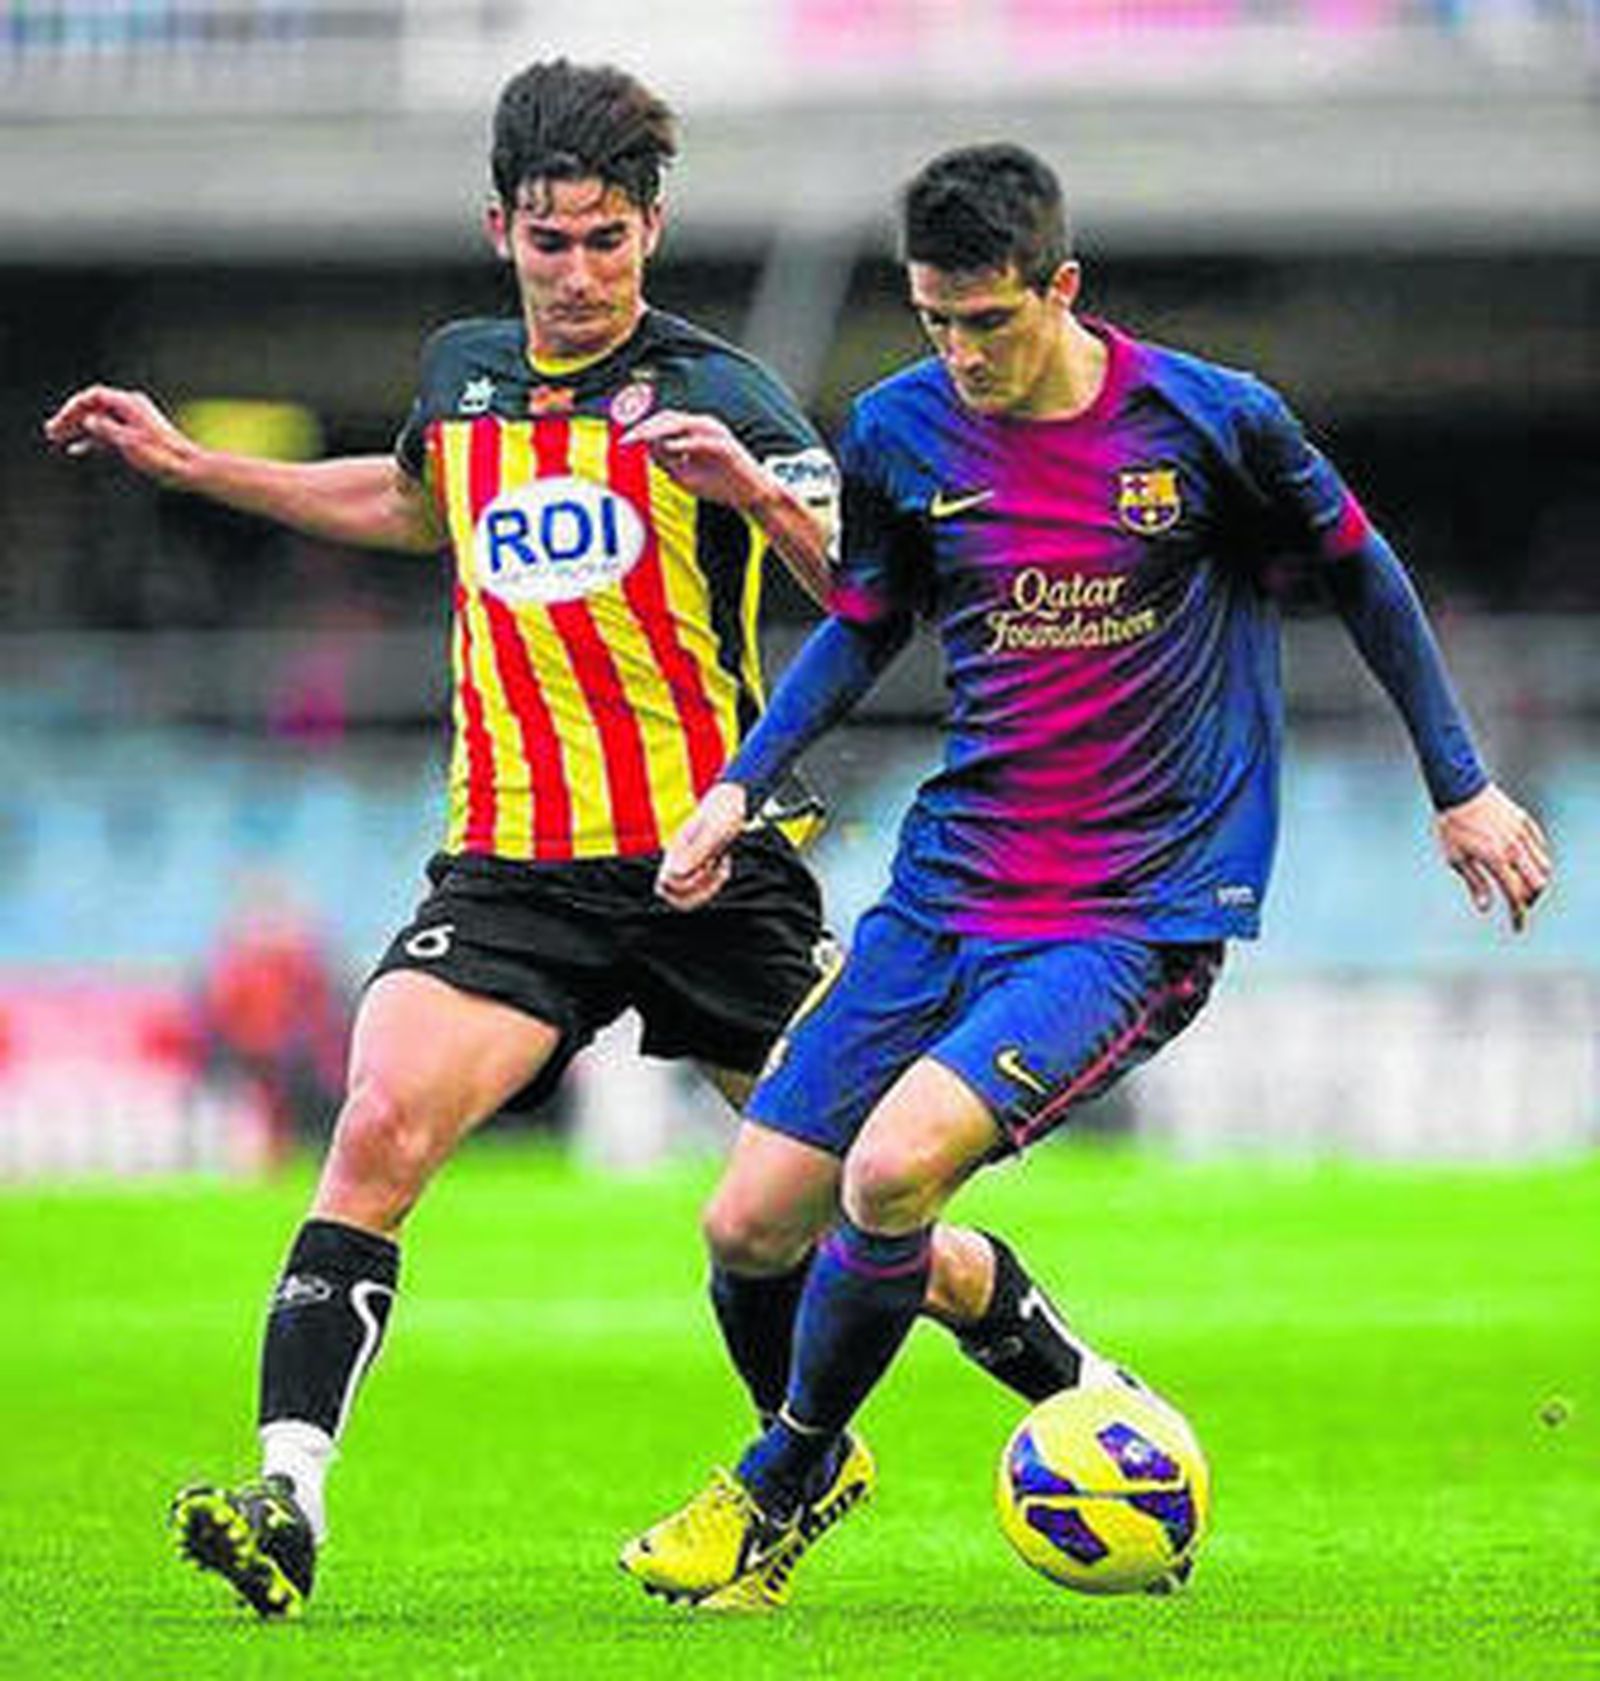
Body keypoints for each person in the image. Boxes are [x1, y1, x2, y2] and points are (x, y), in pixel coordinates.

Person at [44, 68, 1111, 1621]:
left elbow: (872, 588)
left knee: (869, 1203)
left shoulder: (722, 390)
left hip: (712, 868)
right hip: (511, 872)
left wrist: (750, 487)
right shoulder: (462, 377)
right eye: (552, 241)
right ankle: (291, 1496)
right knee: (378, 1128)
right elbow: (417, 504)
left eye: (610, 239)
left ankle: (1082, 1387)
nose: (582, 270)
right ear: (503, 229)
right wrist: (202, 466)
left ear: (651, 228)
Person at [619, 140, 1554, 1610]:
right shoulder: (902, 430)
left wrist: (1461, 782)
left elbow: (1366, 574)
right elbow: (864, 623)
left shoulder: (1212, 423)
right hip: (948, 886)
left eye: (988, 320)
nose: (962, 353)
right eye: (935, 319)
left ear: (1062, 288)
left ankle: (777, 1486)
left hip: (1132, 911)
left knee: (889, 1167)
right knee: (745, 1225)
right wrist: (736, 785)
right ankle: (967, 1378)